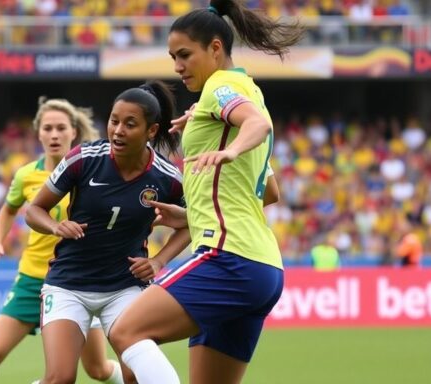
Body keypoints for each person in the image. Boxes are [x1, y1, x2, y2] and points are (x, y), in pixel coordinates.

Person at [108, 1, 302, 383]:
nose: (177, 66)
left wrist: (229, 149)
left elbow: (256, 124)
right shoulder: (247, 90)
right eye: (172, 57)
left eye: (184, 55)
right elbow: (269, 190)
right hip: (262, 268)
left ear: (215, 48)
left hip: (228, 258)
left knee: (125, 332)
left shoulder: (222, 86)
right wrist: (192, 215)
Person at [25, 81, 190, 384]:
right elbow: (33, 211)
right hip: (68, 284)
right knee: (60, 378)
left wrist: (158, 261)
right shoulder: (84, 158)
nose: (117, 131)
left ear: (151, 131)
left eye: (130, 124)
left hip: (125, 288)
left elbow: (191, 223)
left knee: (135, 376)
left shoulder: (168, 178)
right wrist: (55, 226)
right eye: (114, 121)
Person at [0, 97, 123, 384]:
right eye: (47, 128)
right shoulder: (26, 174)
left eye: (61, 128)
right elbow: (9, 209)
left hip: (79, 280)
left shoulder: (91, 171)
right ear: (37, 132)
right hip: (33, 278)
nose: (54, 135)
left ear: (74, 131)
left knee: (98, 370)